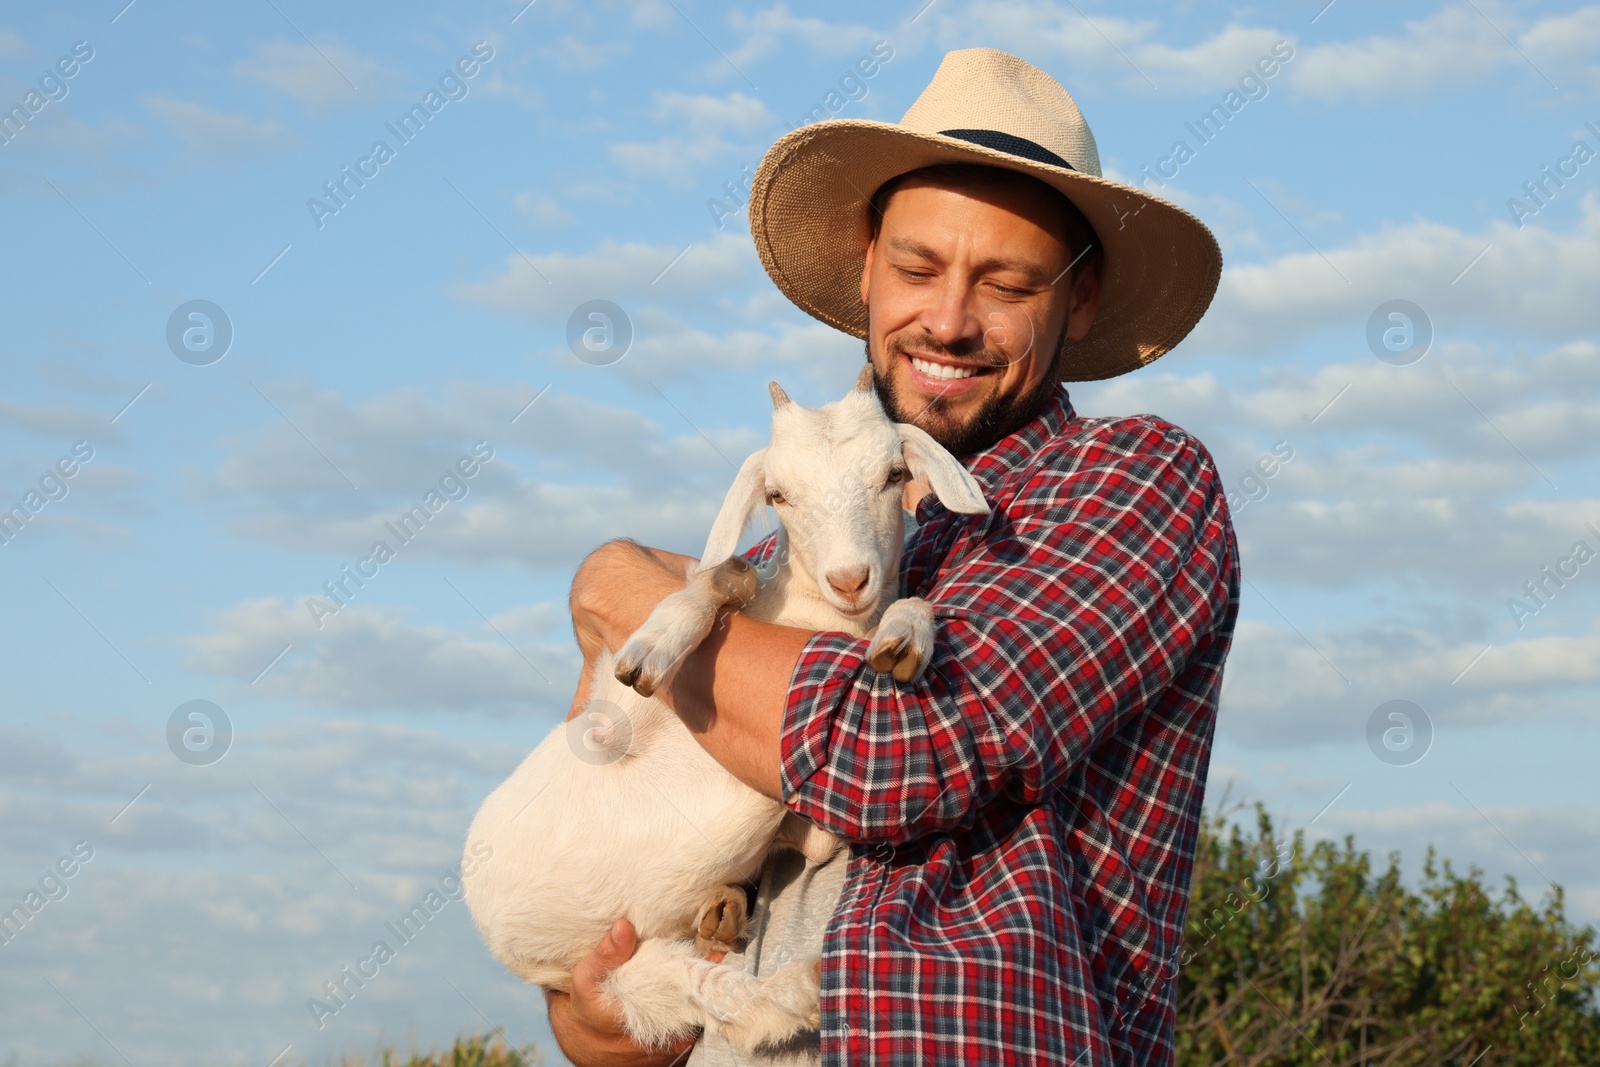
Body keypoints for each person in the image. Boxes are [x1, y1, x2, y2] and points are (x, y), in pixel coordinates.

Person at [546, 47, 1240, 1066]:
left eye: (1005, 283)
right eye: (917, 268)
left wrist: (617, 583)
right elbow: (609, 981)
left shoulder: (1134, 482)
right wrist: (603, 1011)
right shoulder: (779, 564)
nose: (948, 320)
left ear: (1080, 302)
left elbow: (893, 751)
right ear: (867, 264)